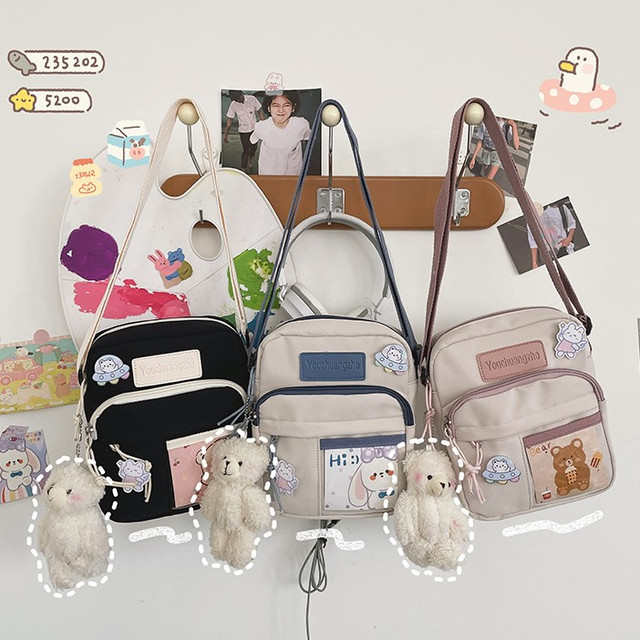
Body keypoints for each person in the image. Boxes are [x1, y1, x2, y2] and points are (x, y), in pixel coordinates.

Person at [249, 90, 310, 175]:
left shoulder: (301, 125)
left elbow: (308, 138)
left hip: (293, 174)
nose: (281, 110)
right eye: (276, 105)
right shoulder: (261, 127)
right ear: (269, 108)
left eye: (286, 105)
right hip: (268, 174)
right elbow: (252, 140)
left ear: (293, 107)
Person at [528, 201, 576, 269]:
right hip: (548, 256)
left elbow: (572, 224)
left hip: (565, 249)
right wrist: (534, 263)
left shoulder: (560, 207)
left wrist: (569, 238)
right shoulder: (532, 218)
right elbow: (533, 242)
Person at [223, 91, 263, 170]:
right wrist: (225, 134)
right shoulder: (233, 104)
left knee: (254, 148)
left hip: (254, 130)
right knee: (246, 150)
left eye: (239, 98)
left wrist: (262, 122)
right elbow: (230, 120)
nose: (239, 101)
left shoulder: (252, 99)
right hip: (243, 131)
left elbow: (259, 110)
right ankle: (243, 168)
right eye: (236, 100)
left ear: (241, 94)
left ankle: (250, 158)